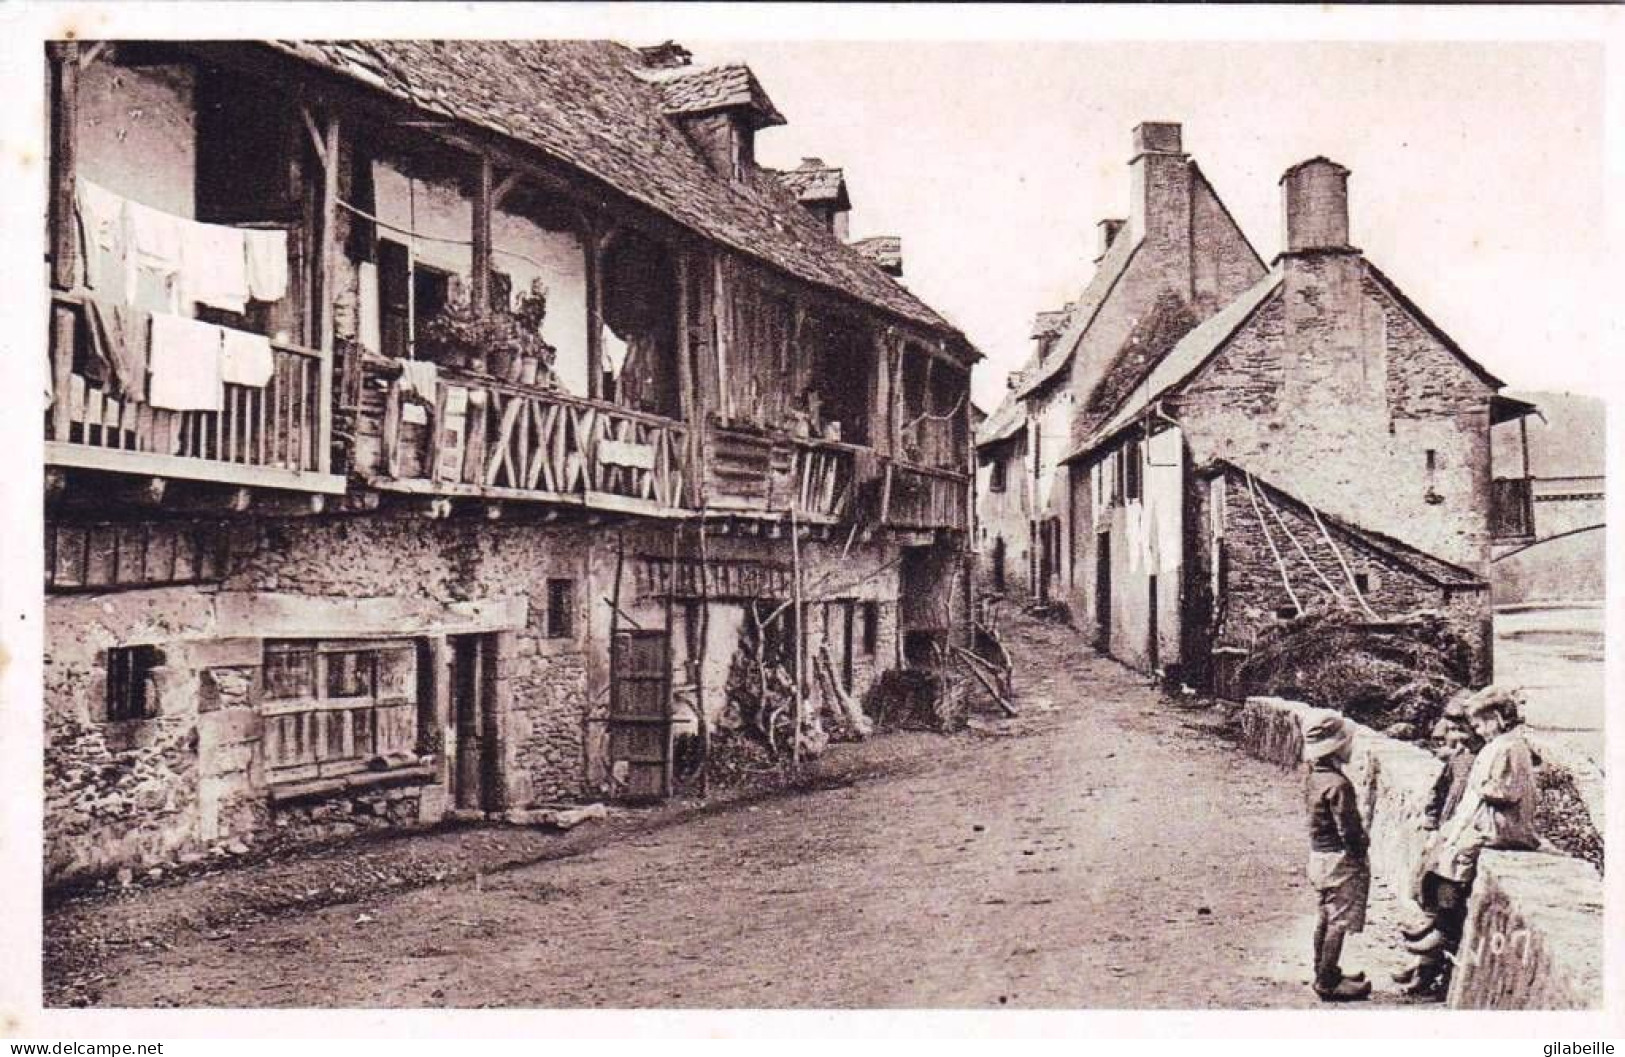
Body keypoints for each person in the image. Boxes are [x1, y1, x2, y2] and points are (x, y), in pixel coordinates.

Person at [1400, 685, 1538, 996]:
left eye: (1476, 725)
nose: (1474, 731)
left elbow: (1509, 790)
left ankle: (1443, 934)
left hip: (1502, 825)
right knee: (1441, 861)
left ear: (1498, 719)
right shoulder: (1490, 748)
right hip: (1482, 821)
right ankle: (1436, 929)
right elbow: (1442, 794)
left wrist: (1486, 789)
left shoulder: (1509, 747)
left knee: (1457, 859)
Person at [1393, 694, 1483, 997]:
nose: (1455, 736)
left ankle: (1431, 974)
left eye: (1463, 730)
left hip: (1459, 843)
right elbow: (1437, 793)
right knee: (1428, 899)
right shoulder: (1458, 760)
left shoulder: (1481, 761)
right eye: (1453, 729)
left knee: (1446, 909)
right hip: (1443, 838)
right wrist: (1432, 825)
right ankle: (1422, 965)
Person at [1302, 711, 1373, 1001]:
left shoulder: (1314, 778)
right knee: (1339, 921)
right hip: (1339, 860)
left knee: (1325, 916)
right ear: (1336, 746)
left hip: (1319, 855)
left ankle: (1324, 971)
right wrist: (1360, 852)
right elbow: (1349, 829)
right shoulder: (1339, 785)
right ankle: (1328, 982)